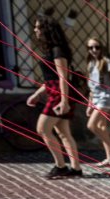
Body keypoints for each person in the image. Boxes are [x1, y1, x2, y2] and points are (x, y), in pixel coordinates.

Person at [26, 14, 82, 179]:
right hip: (54, 91)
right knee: (63, 132)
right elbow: (50, 79)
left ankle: (60, 166)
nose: (35, 30)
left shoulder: (58, 50)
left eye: (38, 27)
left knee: (42, 128)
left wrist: (65, 101)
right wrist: (37, 93)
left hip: (60, 94)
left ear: (46, 29)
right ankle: (76, 169)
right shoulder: (51, 50)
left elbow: (63, 77)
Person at [85, 37, 110, 167]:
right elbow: (91, 89)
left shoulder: (106, 62)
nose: (94, 50)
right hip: (96, 99)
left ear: (101, 48)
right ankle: (108, 158)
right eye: (91, 47)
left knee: (91, 125)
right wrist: (89, 105)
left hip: (105, 98)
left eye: (96, 47)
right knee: (102, 128)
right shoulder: (91, 65)